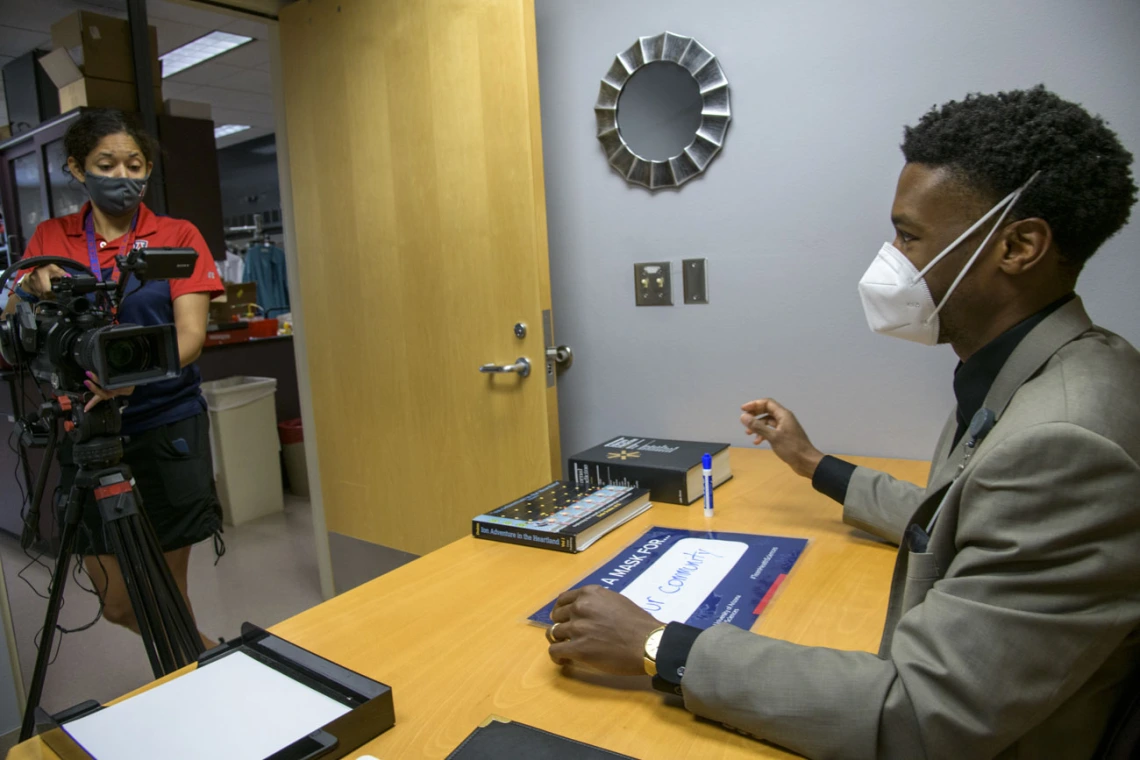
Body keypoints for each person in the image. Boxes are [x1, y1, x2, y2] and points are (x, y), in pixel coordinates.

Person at [545, 86, 1140, 759]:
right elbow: (952, 519)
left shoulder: (1067, 442)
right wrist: (808, 461)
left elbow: (918, 716)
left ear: (1019, 246)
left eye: (910, 235)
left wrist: (657, 645)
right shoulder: (1048, 370)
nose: (890, 257)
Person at [8, 108, 225, 650]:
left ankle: (195, 680)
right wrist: (30, 284)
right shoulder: (52, 237)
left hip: (166, 425)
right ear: (78, 169)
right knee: (119, 603)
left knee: (168, 590)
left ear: (148, 169)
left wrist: (134, 378)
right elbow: (15, 311)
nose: (122, 175)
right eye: (107, 164)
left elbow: (191, 337)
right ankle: (207, 654)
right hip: (87, 433)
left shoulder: (176, 235)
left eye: (134, 164)